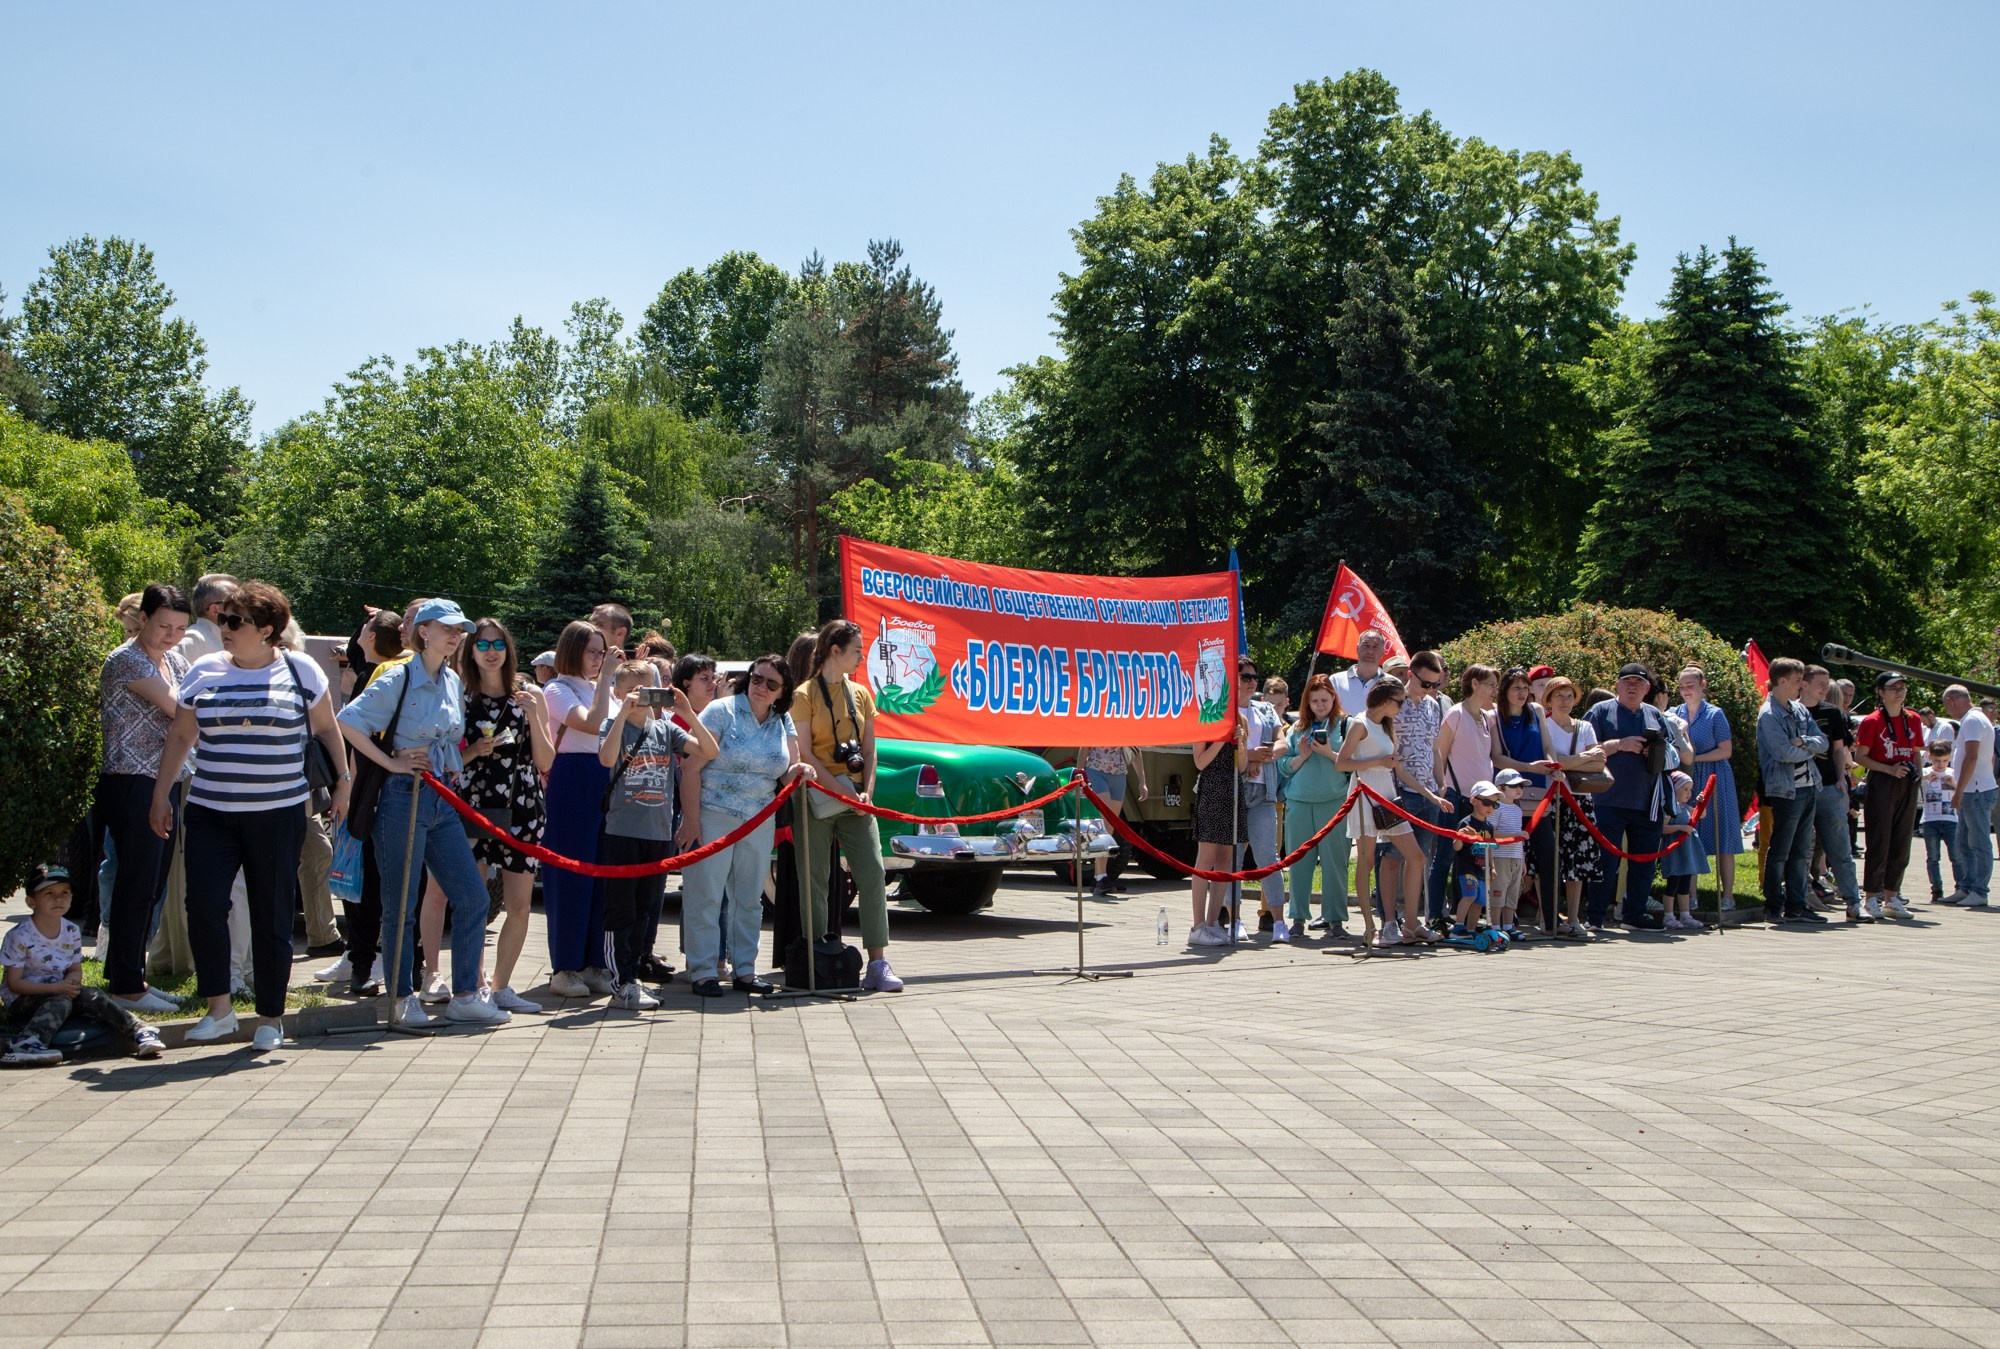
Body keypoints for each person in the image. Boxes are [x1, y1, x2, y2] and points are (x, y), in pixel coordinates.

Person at [150, 581, 351, 1049]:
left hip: (278, 812)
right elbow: (181, 735)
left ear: (266, 630)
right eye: (222, 618)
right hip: (210, 810)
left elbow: (327, 729)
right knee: (203, 906)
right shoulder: (203, 670)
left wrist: (343, 781)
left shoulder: (300, 670)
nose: (224, 626)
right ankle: (219, 1010)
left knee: (272, 913)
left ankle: (269, 1018)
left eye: (235, 620)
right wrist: (161, 795)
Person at [337, 599, 510, 1028]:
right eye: (446, 628)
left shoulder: (451, 679)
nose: (455, 635)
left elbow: (448, 743)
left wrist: (462, 758)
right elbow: (348, 721)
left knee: (472, 896)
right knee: (401, 903)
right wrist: (390, 762)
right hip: (401, 797)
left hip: (441, 796)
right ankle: (401, 997)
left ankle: (465, 994)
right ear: (423, 631)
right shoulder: (398, 675)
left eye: (459, 630)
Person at [684, 654, 814, 995]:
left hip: (759, 819)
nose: (761, 687)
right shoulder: (720, 711)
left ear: (782, 691)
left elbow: (787, 770)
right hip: (712, 814)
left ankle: (745, 970)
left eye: (771, 683)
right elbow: (690, 768)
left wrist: (799, 771)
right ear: (748, 678)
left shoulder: (783, 719)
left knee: (749, 899)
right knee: (706, 896)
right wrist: (691, 821)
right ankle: (702, 971)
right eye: (757, 678)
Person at [95, 584, 192, 1013]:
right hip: (131, 782)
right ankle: (127, 986)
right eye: (164, 626)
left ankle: (132, 976)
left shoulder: (176, 660)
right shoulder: (125, 660)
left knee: (152, 885)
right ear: (143, 618)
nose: (172, 635)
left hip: (166, 780)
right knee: (136, 883)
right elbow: (180, 709)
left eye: (180, 629)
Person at [598, 669, 717, 1008]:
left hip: (658, 832)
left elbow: (709, 751)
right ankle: (620, 981)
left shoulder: (665, 729)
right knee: (620, 909)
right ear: (619, 692)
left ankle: (633, 975)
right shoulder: (613, 725)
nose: (641, 695)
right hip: (623, 831)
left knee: (644, 910)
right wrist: (623, 713)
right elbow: (606, 759)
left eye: (647, 689)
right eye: (633, 690)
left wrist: (688, 713)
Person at [794, 620, 901, 991]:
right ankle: (817, 959)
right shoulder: (805, 694)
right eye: (857, 650)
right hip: (816, 796)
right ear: (834, 650)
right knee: (815, 878)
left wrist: (866, 795)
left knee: (872, 873)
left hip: (856, 800)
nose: (861, 657)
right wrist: (841, 792)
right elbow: (805, 753)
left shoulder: (861, 694)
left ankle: (878, 964)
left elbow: (870, 751)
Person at [456, 617, 554, 1013]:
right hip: (474, 801)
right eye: (482, 645)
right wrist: (473, 751)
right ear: (471, 651)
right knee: (475, 901)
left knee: (519, 904)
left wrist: (533, 716)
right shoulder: (460, 696)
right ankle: (475, 984)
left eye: (498, 644)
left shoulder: (530, 695)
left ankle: (502, 987)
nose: (491, 652)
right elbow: (448, 760)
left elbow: (546, 760)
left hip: (522, 802)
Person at [3, 866, 164, 1066]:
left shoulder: (71, 931)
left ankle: (138, 1030)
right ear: (31, 901)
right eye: (49, 893)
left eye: (65, 892)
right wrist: (56, 988)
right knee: (61, 1001)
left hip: (60, 989)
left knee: (93, 994)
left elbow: (74, 969)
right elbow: (14, 984)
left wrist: (71, 983)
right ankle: (28, 1042)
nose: (58, 899)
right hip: (23, 998)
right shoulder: (19, 936)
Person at [540, 620, 621, 998]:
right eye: (592, 651)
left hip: (607, 778)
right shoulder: (556, 689)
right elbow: (593, 724)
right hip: (572, 777)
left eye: (602, 652)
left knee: (602, 874)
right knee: (570, 874)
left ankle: (594, 962)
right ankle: (565, 966)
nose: (599, 659)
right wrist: (606, 680)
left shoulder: (600, 688)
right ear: (572, 650)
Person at [1338, 679, 1448, 947]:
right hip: (1365, 794)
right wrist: (1378, 761)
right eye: (1400, 702)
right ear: (1386, 701)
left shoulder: (1387, 725)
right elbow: (1342, 763)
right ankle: (1369, 928)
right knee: (1366, 861)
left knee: (1416, 857)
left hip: (1387, 796)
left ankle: (1410, 925)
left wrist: (1431, 795)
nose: (1402, 706)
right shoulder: (1360, 723)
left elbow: (1399, 768)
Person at [1585, 663, 1680, 931]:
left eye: (1638, 683)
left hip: (1647, 801)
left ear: (1647, 688)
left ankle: (1634, 915)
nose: (1632, 687)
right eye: (1627, 682)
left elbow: (1672, 753)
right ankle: (1595, 917)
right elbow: (1584, 751)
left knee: (1644, 863)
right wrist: (1619, 745)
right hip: (1607, 800)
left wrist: (1655, 752)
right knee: (1605, 861)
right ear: (1617, 685)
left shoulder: (1655, 715)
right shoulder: (1600, 712)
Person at [1755, 658, 1828, 927]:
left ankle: (1797, 906)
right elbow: (1782, 753)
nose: (1801, 685)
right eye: (1798, 680)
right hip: (1785, 791)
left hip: (1808, 786)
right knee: (1780, 850)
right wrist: (1809, 750)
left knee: (1800, 851)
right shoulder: (1769, 714)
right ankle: (1773, 905)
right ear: (1782, 680)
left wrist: (1803, 742)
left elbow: (1823, 742)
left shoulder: (1799, 709)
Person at [1277, 675, 1351, 939]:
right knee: (1299, 863)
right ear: (1307, 702)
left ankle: (1335, 919)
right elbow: (1283, 766)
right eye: (1315, 700)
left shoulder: (1346, 725)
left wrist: (1329, 753)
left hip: (1334, 803)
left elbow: (1352, 763)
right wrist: (1303, 755)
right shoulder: (1296, 728)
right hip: (1299, 803)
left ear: (1334, 699)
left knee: (1335, 864)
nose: (1320, 705)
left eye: (1325, 700)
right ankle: (1297, 918)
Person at [1426, 664, 1500, 929]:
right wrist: (1442, 786)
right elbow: (1440, 752)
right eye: (1490, 684)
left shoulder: (1488, 718)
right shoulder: (1456, 714)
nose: (1494, 690)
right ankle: (1435, 914)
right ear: (1474, 684)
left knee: (1472, 859)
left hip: (1478, 800)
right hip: (1456, 795)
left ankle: (1464, 920)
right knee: (1446, 855)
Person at [1490, 667, 1560, 930]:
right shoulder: (1494, 715)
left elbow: (1548, 746)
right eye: (1515, 688)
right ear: (1504, 691)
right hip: (1506, 797)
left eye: (1524, 687)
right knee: (1506, 858)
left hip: (1537, 795)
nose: (1521, 693)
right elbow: (1497, 757)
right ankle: (1502, 919)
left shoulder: (1536, 711)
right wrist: (1530, 768)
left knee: (1548, 856)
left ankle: (1551, 920)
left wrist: (1552, 766)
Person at [1853, 671, 1922, 920]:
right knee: (1879, 840)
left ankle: (1892, 897)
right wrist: (1889, 769)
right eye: (1893, 688)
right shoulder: (1872, 721)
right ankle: (1871, 896)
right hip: (1883, 780)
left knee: (1902, 841)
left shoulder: (1912, 719)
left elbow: (1916, 751)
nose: (1899, 692)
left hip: (1907, 781)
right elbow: (1860, 756)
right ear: (1881, 692)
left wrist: (1917, 774)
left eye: (1902, 688)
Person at [1674, 667, 1744, 912]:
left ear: (1702, 685)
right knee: (1690, 835)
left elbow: (1726, 750)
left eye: (1690, 686)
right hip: (1687, 780)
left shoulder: (1715, 714)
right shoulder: (1674, 713)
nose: (1686, 691)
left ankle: (1728, 896)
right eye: (1682, 686)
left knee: (1723, 836)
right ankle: (1690, 895)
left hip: (1715, 778)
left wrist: (1695, 758)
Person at [1540, 677, 1606, 938]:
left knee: (1578, 862)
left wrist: (1568, 762)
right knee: (1548, 859)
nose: (1565, 701)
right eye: (1559, 695)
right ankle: (1548, 916)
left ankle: (1575, 917)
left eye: (1569, 696)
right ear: (1549, 699)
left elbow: (1599, 763)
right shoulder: (1544, 725)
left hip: (1580, 799)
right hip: (1551, 797)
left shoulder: (1585, 727)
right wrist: (1583, 758)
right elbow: (1551, 762)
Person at [1389, 650, 1448, 921]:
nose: (1430, 689)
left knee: (1421, 858)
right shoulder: (1393, 703)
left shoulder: (1433, 705)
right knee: (1393, 856)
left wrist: (1441, 782)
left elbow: (1434, 748)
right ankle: (1390, 918)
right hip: (1400, 791)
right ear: (1410, 675)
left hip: (1429, 792)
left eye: (1436, 684)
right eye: (1426, 683)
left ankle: (1412, 921)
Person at [1802, 666, 1865, 921]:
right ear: (1804, 683)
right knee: (1802, 850)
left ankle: (1853, 903)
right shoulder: (1792, 711)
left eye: (1827, 683)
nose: (1825, 688)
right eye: (1820, 683)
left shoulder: (1832, 713)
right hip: (1802, 788)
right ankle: (1801, 898)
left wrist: (1841, 779)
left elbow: (1839, 749)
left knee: (1840, 850)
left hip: (1830, 787)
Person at [1188, 711, 1250, 946]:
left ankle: (1213, 922)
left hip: (1233, 791)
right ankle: (1198, 926)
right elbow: (1200, 762)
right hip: (1212, 789)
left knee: (1225, 858)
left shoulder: (1240, 721)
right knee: (1206, 857)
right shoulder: (1205, 719)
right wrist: (1222, 739)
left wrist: (1240, 744)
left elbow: (1242, 766)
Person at [1235, 659, 1284, 936]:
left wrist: (1261, 757)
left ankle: (1278, 922)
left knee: (1268, 856)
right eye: (1245, 676)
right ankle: (1235, 920)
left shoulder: (1265, 709)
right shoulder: (1224, 711)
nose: (1252, 681)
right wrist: (1249, 756)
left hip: (1264, 790)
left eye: (1255, 676)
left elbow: (1282, 743)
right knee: (1232, 857)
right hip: (1233, 791)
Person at [1942, 684, 1996, 907]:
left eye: (1946, 705)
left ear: (1952, 700)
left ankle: (1979, 891)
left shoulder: (1972, 721)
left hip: (1975, 791)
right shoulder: (1978, 719)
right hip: (1976, 789)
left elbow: (1971, 756)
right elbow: (1988, 757)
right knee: (1964, 841)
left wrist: (1959, 790)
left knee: (1978, 842)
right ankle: (1966, 887)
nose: (1947, 709)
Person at [1081, 745, 1147, 897]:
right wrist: (1079, 773)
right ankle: (1101, 877)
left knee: (1110, 828)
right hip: (1096, 771)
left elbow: (1136, 752)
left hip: (1119, 775)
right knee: (1105, 824)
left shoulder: (1126, 731)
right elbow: (1084, 747)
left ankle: (1098, 878)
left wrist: (1142, 782)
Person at [1658, 771, 1709, 930]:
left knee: (1685, 884)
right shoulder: (1670, 809)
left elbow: (1701, 814)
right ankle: (1668, 916)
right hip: (1675, 854)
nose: (1688, 793)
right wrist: (1680, 827)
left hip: (1687, 853)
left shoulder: (1686, 808)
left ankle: (1685, 915)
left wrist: (1701, 802)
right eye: (1685, 789)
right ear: (1674, 790)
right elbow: (1662, 828)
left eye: (1690, 790)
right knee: (1673, 884)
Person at [1449, 782, 1502, 936]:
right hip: (1466, 867)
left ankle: (1471, 930)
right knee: (1470, 895)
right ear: (1473, 800)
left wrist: (1492, 867)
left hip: (1481, 868)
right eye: (1486, 802)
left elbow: (1489, 848)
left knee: (1480, 901)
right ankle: (1458, 926)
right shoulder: (1465, 823)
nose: (1490, 807)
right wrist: (1461, 836)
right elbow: (1456, 847)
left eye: (1495, 804)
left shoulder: (1489, 827)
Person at [1487, 769, 1529, 936]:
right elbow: (1491, 833)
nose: (1518, 789)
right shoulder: (1496, 808)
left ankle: (1508, 926)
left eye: (1520, 786)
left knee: (1513, 893)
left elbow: (1520, 837)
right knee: (1498, 891)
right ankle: (1495, 926)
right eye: (1513, 786)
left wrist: (1523, 859)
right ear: (1500, 788)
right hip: (1500, 856)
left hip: (1516, 856)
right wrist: (1514, 835)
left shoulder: (1518, 810)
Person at [1921, 741, 1960, 904]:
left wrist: (1954, 784)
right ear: (1930, 757)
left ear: (1949, 758)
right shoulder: (1925, 771)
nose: (1941, 764)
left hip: (1951, 820)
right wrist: (1925, 778)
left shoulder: (1953, 772)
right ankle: (1936, 889)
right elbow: (1914, 781)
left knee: (1956, 857)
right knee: (1933, 857)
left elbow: (1962, 791)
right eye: (1937, 761)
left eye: (1945, 760)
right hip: (1930, 820)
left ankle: (1960, 888)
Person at [174, 573, 237, 663]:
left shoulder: (224, 638)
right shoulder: (193, 640)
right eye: (235, 602)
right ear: (215, 609)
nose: (243, 607)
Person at [1329, 630, 1388, 726]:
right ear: (1357, 648)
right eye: (1366, 645)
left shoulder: (1393, 683)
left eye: (1375, 647)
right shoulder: (1335, 681)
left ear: (1383, 652)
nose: (1370, 651)